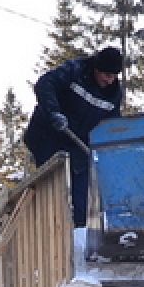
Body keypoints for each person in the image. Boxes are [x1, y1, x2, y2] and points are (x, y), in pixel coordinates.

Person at [23, 46, 125, 226]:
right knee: (52, 186)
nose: (109, 81)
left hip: (79, 146)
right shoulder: (76, 71)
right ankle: (47, 226)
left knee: (82, 198)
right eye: (106, 76)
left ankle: (79, 235)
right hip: (49, 136)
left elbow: (111, 126)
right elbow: (45, 84)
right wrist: (54, 112)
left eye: (113, 77)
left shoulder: (113, 95)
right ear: (96, 69)